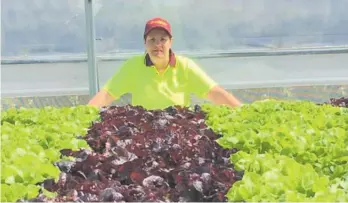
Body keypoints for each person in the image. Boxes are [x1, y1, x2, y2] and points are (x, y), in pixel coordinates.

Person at [88, 17, 242, 110]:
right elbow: (107, 94)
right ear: (144, 42)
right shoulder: (133, 66)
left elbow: (214, 92)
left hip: (178, 133)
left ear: (171, 42)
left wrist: (242, 111)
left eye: (163, 39)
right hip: (143, 136)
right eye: (152, 40)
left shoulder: (185, 66)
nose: (157, 45)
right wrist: (85, 114)